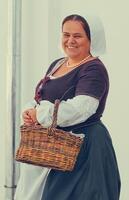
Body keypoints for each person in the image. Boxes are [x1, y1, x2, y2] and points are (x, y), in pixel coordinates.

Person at [15, 14, 121, 200]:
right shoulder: (57, 64)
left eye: (77, 36)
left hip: (85, 148)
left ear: (91, 39)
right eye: (66, 34)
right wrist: (30, 111)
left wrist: (40, 114)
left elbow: (81, 108)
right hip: (55, 147)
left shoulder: (93, 69)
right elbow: (41, 97)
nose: (70, 40)